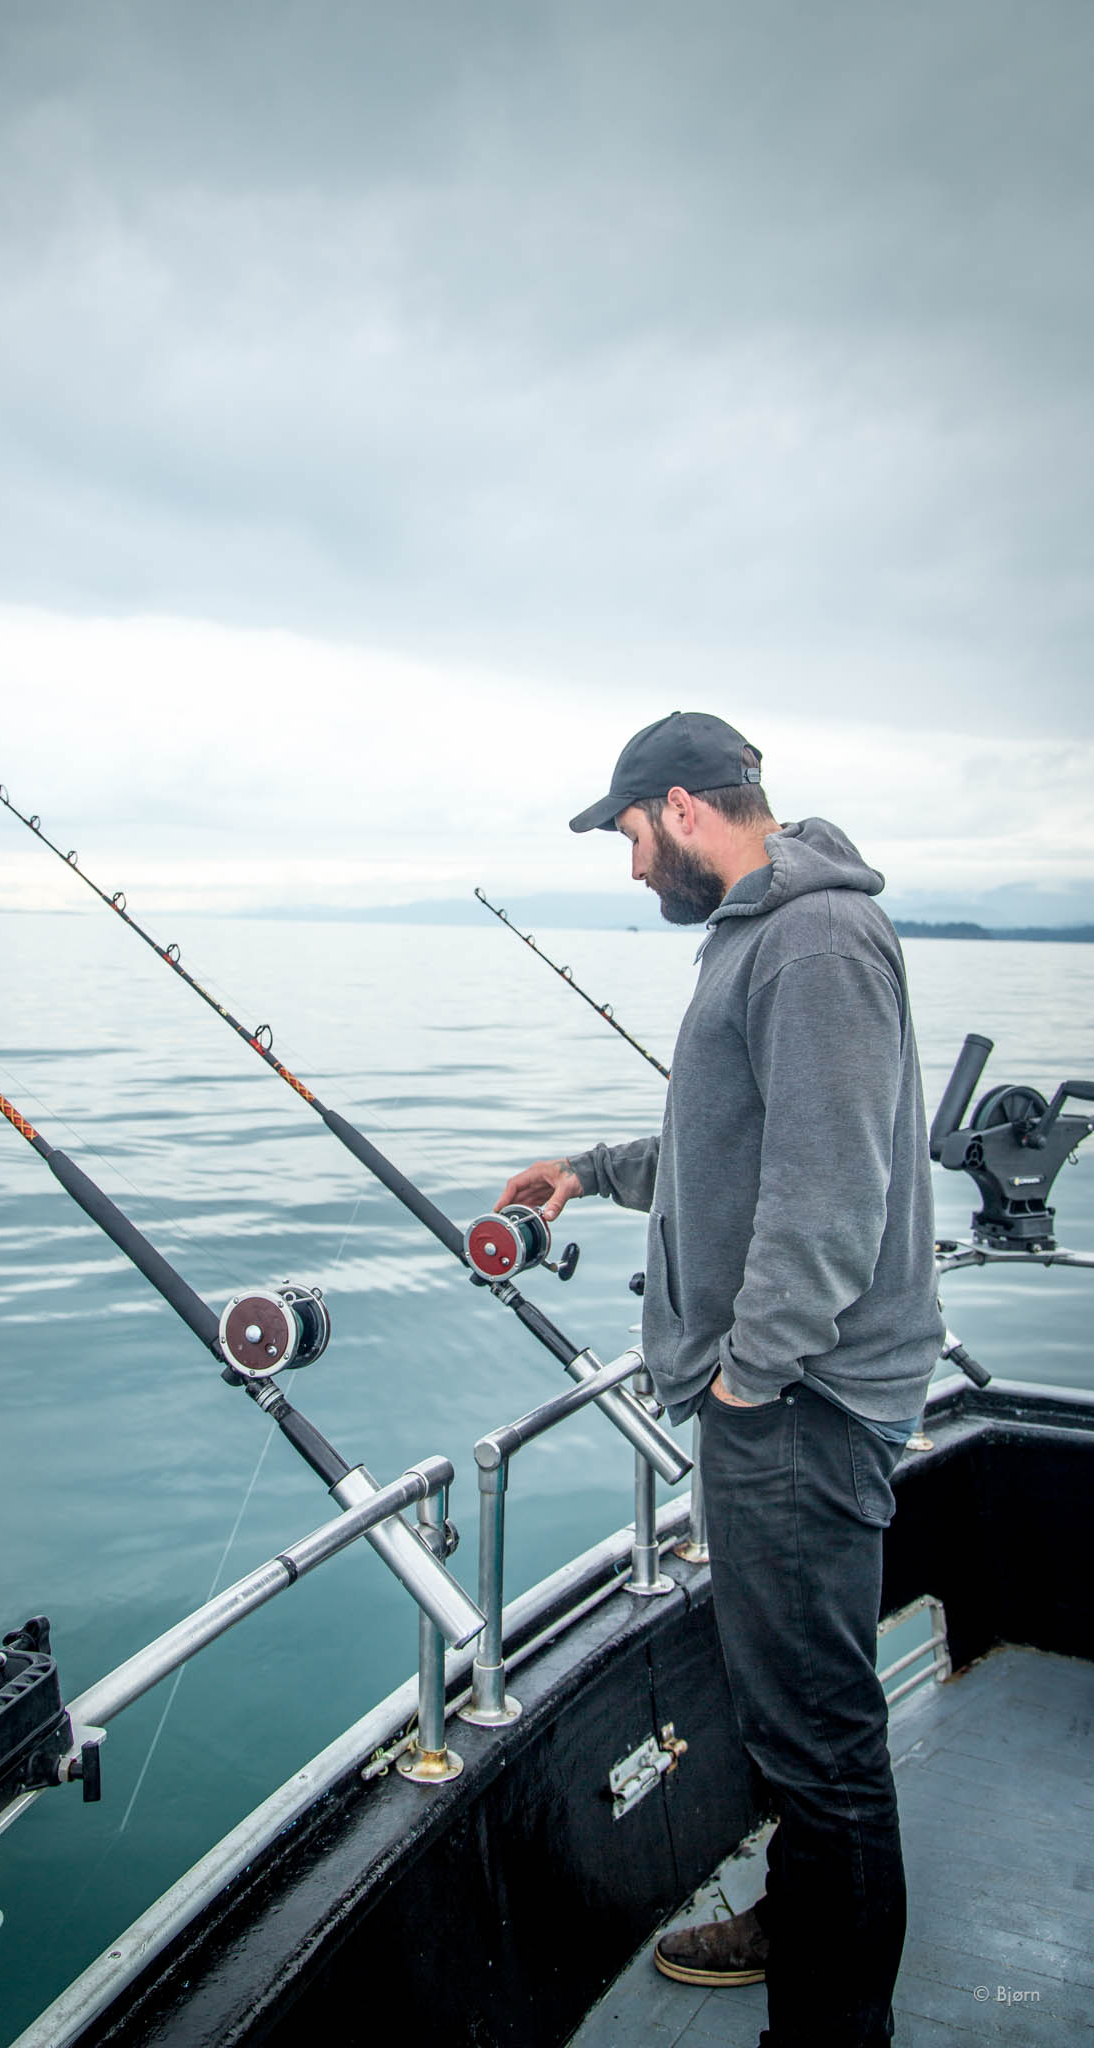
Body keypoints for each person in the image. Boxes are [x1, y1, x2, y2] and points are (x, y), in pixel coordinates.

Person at [496, 711, 943, 2048]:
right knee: (790, 1715)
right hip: (776, 1405)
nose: (630, 869)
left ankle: (825, 2027)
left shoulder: (811, 942)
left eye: (629, 837)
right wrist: (590, 1168)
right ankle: (797, 1922)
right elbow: (725, 1138)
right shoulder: (766, 935)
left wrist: (749, 1379)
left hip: (795, 1411)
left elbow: (826, 1189)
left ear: (682, 807)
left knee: (820, 1739)